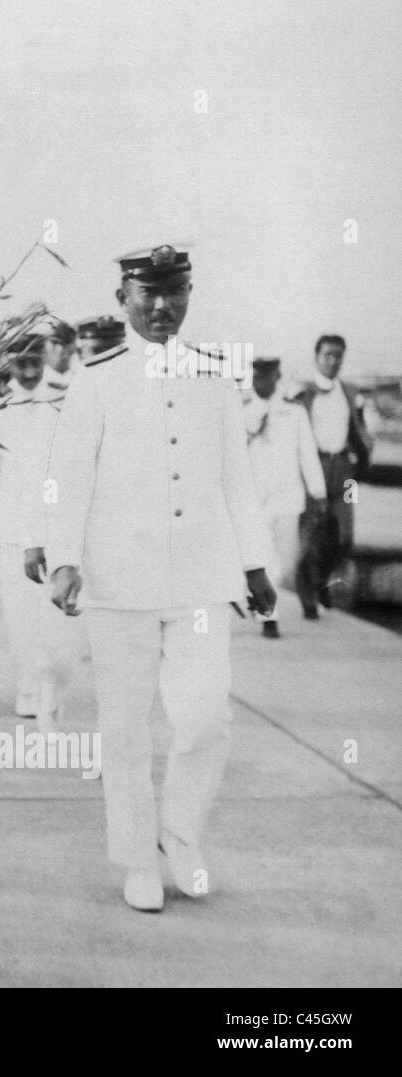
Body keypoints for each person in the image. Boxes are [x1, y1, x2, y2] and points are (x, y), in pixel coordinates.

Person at [46, 243, 275, 913]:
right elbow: (70, 475)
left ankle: (183, 837)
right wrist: (64, 557)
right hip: (120, 581)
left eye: (173, 291)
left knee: (205, 716)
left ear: (188, 295)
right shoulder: (97, 377)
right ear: (124, 299)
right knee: (124, 727)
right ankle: (137, 855)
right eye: (146, 292)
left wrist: (255, 563)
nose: (160, 304)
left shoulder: (215, 377)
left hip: (202, 578)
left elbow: (237, 477)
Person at [0, 334, 82, 730]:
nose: (31, 371)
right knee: (19, 620)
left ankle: (51, 693)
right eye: (21, 364)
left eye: (35, 361)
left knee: (57, 627)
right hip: (12, 529)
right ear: (8, 364)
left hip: (61, 531)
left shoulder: (67, 398)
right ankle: (29, 689)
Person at [289, 335, 373, 617]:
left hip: (345, 473)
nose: (334, 361)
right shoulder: (303, 394)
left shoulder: (349, 392)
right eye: (328, 355)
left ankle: (324, 579)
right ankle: (308, 599)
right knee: (311, 535)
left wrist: (361, 461)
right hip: (314, 468)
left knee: (345, 537)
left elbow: (360, 431)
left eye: (339, 356)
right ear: (317, 357)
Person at [244, 358, 327, 638]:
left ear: (276, 377)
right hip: (254, 499)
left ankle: (263, 597)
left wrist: (318, 491)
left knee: (287, 560)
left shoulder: (293, 412)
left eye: (265, 376)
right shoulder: (242, 411)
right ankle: (268, 614)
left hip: (288, 497)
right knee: (260, 556)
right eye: (255, 376)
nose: (260, 382)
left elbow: (308, 453)